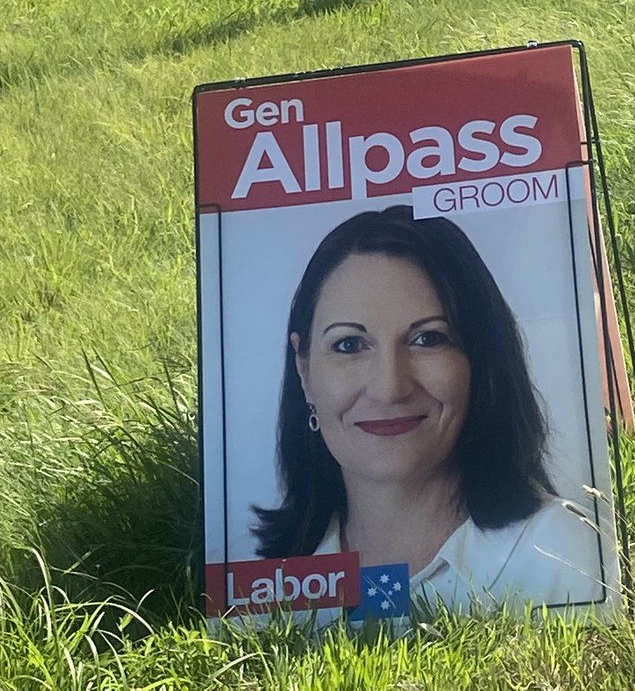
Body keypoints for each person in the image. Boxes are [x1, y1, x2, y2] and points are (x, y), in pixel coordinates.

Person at [251, 205, 608, 614]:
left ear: (481, 360)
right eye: (349, 345)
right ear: (304, 370)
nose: (389, 388)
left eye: (428, 339)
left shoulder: (565, 558)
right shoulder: (261, 586)